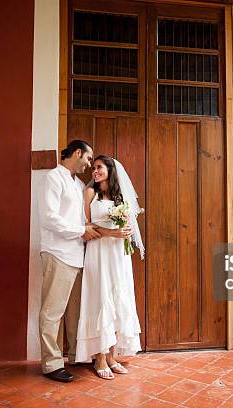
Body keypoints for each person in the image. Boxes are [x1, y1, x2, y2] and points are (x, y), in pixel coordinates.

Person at [76, 155, 144, 380]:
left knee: (118, 297)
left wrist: (128, 230)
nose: (94, 172)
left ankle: (112, 355)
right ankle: (99, 358)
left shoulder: (119, 196)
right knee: (100, 297)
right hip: (98, 252)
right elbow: (85, 227)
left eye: (99, 168)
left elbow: (128, 223)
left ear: (110, 171)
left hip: (118, 254)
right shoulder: (90, 194)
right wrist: (111, 233)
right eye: (93, 168)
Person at [38, 140, 101, 383]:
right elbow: (50, 218)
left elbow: (80, 218)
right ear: (77, 153)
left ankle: (76, 355)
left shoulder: (76, 184)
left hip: (77, 255)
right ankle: (51, 364)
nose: (88, 164)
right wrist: (81, 231)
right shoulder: (53, 178)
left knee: (75, 311)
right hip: (57, 252)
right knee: (52, 312)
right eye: (87, 158)